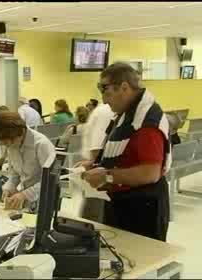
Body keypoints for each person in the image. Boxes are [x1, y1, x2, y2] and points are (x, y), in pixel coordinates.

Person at [82, 62, 171, 241]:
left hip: (142, 207)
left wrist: (106, 175)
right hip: (123, 201)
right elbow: (125, 153)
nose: (105, 101)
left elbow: (150, 173)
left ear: (124, 87)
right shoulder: (128, 112)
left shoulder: (145, 122)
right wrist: (97, 164)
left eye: (106, 92)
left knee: (141, 259)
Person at [0, 112, 55, 211]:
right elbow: (15, 173)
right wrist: (9, 188)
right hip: (27, 201)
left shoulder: (41, 145)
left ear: (20, 133)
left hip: (44, 202)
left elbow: (49, 182)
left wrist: (24, 195)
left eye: (6, 142)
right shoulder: (12, 145)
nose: (7, 146)